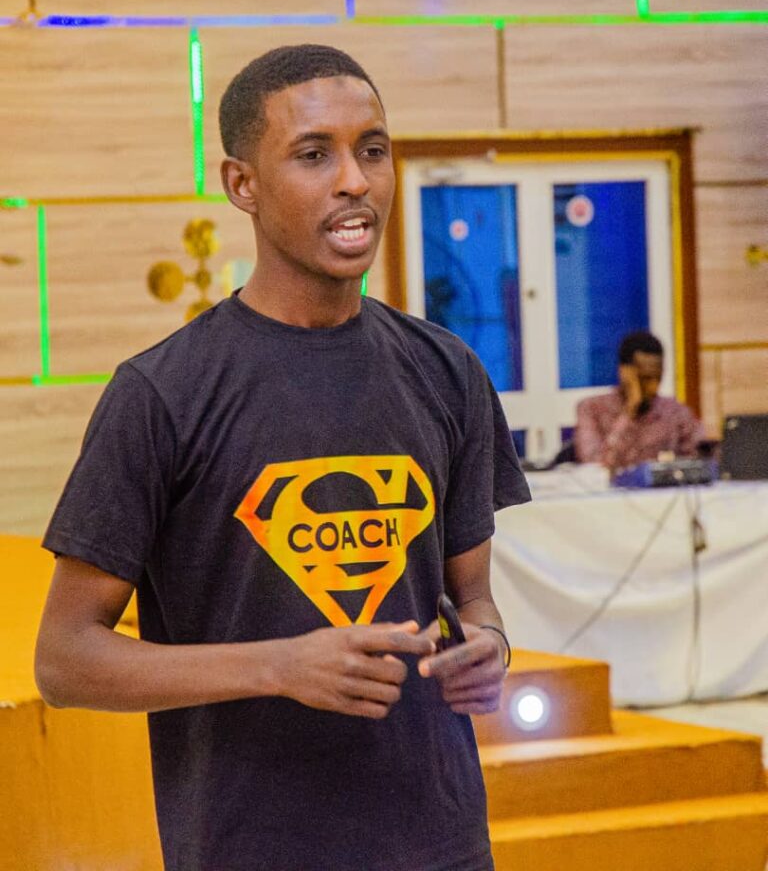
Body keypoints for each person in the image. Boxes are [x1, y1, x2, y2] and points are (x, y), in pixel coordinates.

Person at [35, 44, 531, 871]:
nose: (355, 181)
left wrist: (488, 651)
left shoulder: (448, 371)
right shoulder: (162, 393)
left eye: (373, 149)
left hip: (440, 844)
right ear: (243, 185)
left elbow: (471, 599)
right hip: (251, 846)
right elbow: (65, 660)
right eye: (313, 155)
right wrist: (279, 666)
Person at [574, 330, 704, 472]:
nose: (654, 388)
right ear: (624, 372)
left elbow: (700, 460)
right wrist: (629, 412)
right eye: (645, 378)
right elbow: (595, 465)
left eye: (658, 378)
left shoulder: (675, 412)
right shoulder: (592, 409)